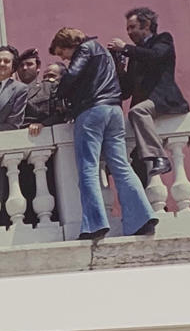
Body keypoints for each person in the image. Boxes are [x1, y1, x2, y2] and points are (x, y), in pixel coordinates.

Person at [48, 26, 158, 242]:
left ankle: (95, 224)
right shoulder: (104, 52)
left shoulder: (85, 49)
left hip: (92, 111)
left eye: (63, 53)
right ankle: (141, 217)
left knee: (88, 167)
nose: (65, 58)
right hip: (114, 110)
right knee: (121, 166)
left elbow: (71, 75)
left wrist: (59, 94)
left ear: (69, 44)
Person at [108, 6, 189, 184]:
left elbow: (156, 56)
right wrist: (119, 70)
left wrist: (126, 48)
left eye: (132, 27)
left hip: (163, 100)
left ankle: (160, 157)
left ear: (146, 26)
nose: (129, 32)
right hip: (144, 111)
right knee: (140, 169)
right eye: (127, 28)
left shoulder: (163, 39)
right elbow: (127, 91)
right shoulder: (135, 55)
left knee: (137, 112)